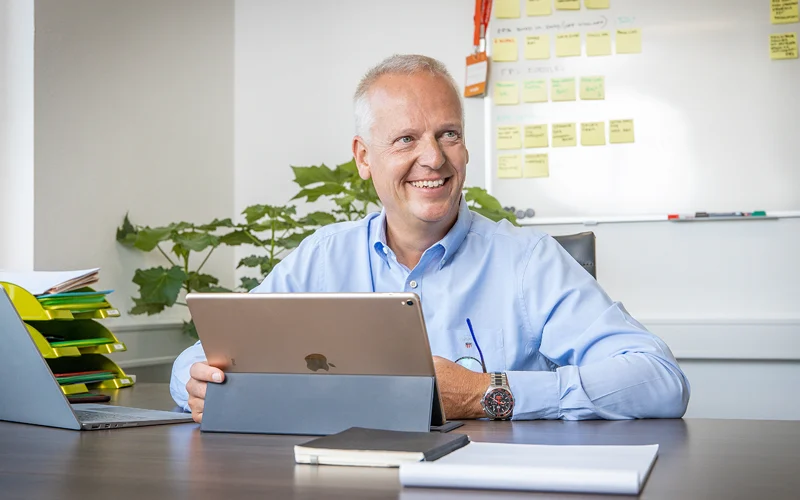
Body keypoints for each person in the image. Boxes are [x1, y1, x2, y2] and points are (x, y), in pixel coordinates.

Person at [170, 54, 690, 424]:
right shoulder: (324, 258)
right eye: (405, 139)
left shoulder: (528, 262)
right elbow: (199, 359)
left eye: (449, 133)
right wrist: (192, 383)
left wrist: (490, 393)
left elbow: (660, 381)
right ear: (363, 157)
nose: (434, 159)